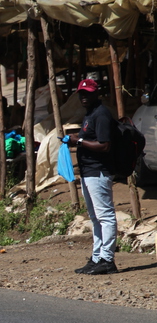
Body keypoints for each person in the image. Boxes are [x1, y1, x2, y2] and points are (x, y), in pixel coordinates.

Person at [64, 78, 118, 276]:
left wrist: (78, 140)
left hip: (99, 171)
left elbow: (104, 145)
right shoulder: (89, 114)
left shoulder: (101, 114)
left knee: (105, 216)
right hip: (88, 172)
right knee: (95, 218)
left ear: (97, 94)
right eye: (81, 93)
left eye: (87, 93)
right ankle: (97, 258)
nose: (84, 97)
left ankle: (108, 259)